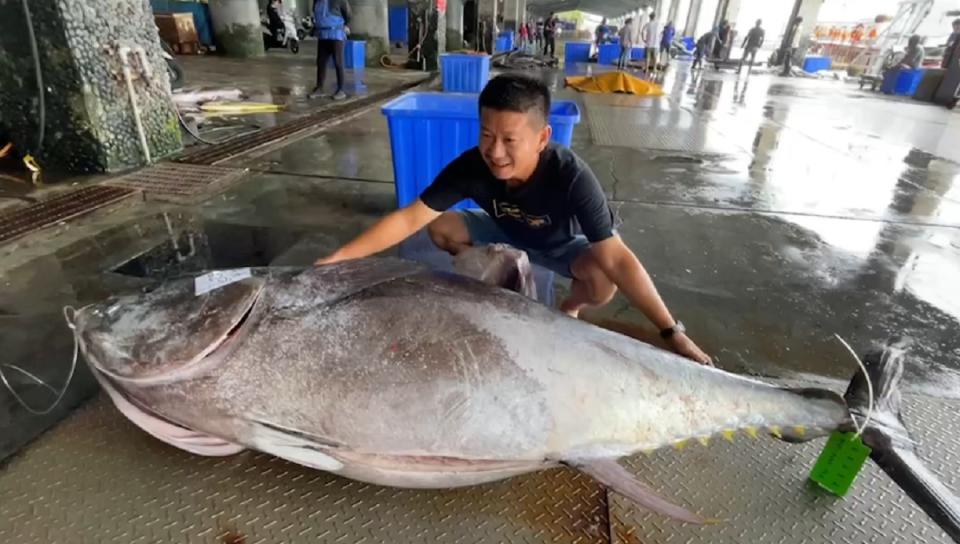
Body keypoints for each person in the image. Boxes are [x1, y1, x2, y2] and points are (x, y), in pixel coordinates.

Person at [314, 74, 713, 365]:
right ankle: (498, 271)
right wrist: (337, 260)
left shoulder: (570, 174)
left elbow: (617, 256)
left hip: (559, 244)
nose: (495, 151)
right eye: (487, 135)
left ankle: (569, 309)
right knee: (440, 226)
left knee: (603, 281)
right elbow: (408, 219)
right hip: (504, 230)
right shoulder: (472, 166)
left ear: (542, 138)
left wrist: (671, 333)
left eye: (510, 140)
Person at [309, 0, 351, 100]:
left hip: (336, 34)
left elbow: (348, 14)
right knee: (321, 62)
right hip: (322, 35)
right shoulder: (316, 2)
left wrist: (344, 25)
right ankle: (320, 88)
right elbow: (316, 15)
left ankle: (341, 90)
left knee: (338, 62)